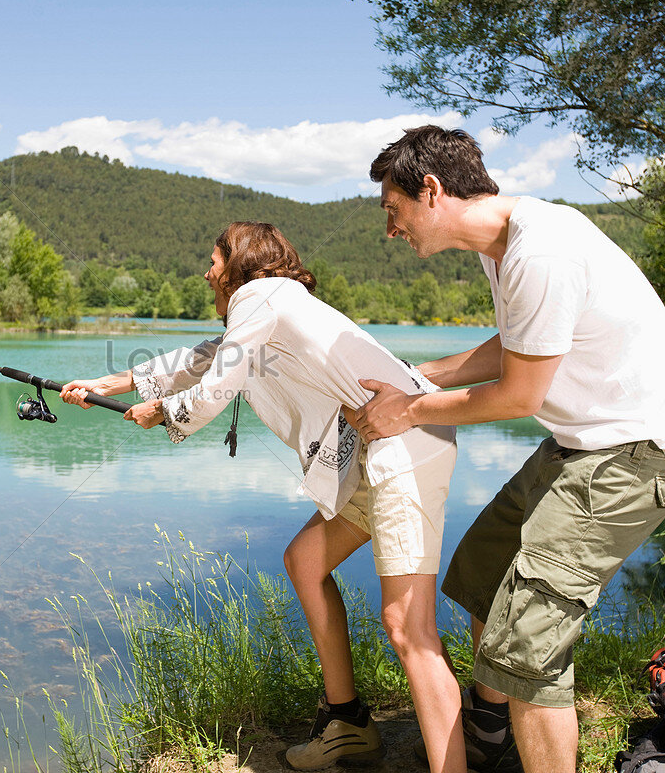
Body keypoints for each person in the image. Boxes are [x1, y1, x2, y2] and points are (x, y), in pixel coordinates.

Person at [346, 126, 665, 773]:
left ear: (430, 191)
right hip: (584, 443)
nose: (390, 230)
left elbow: (519, 396)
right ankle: (492, 736)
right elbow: (521, 340)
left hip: (634, 455)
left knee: (524, 648)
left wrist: (409, 409)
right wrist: (428, 376)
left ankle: (522, 726)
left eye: (392, 212)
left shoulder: (542, 252)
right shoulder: (505, 246)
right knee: (482, 575)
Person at [61, 221, 467, 772]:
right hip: (381, 450)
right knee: (305, 561)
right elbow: (204, 358)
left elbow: (218, 379)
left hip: (403, 447)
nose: (207, 273)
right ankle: (346, 722)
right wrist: (107, 384)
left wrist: (165, 412)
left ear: (240, 263)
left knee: (407, 629)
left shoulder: (259, 295)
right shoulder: (269, 306)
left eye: (213, 260)